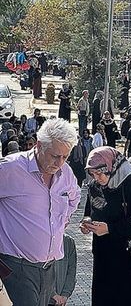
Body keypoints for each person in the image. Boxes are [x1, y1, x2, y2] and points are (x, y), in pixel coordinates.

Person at [0, 119, 81, 306]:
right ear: (38, 145)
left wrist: (64, 218)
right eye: (54, 155)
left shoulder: (65, 172)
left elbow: (74, 197)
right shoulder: (10, 169)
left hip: (49, 270)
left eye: (65, 157)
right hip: (15, 268)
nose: (59, 163)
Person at [81, 147, 131, 305]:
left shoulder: (130, 182)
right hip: (104, 255)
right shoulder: (95, 186)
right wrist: (86, 223)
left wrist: (110, 229)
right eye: (92, 174)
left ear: (110, 167)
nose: (97, 178)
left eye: (99, 173)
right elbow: (89, 211)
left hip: (129, 255)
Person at [49, 234, 77, 306]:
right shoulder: (38, 240)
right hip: (39, 298)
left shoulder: (68, 242)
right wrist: (53, 294)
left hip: (60, 300)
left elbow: (71, 272)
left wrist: (65, 294)